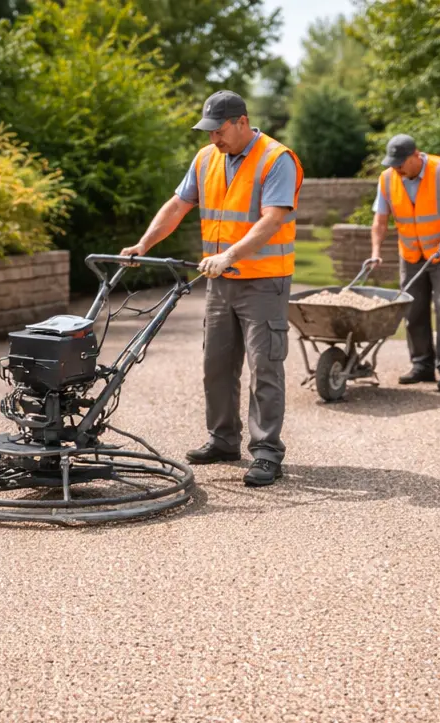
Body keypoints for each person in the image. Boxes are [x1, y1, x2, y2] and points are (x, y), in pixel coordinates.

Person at [121, 90, 302, 487]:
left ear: (242, 121)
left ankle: (267, 452)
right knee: (216, 366)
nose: (213, 140)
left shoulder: (276, 159)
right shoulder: (206, 159)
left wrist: (230, 254)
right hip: (221, 282)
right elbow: (176, 206)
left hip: (264, 281)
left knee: (264, 367)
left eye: (219, 131)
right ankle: (223, 440)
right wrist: (144, 244)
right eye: (208, 132)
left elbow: (271, 220)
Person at [369, 134, 440, 392]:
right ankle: (422, 366)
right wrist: (375, 250)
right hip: (411, 255)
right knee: (413, 310)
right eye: (392, 164)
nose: (395, 169)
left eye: (400, 164)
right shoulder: (387, 179)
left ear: (416, 156)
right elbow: (380, 220)